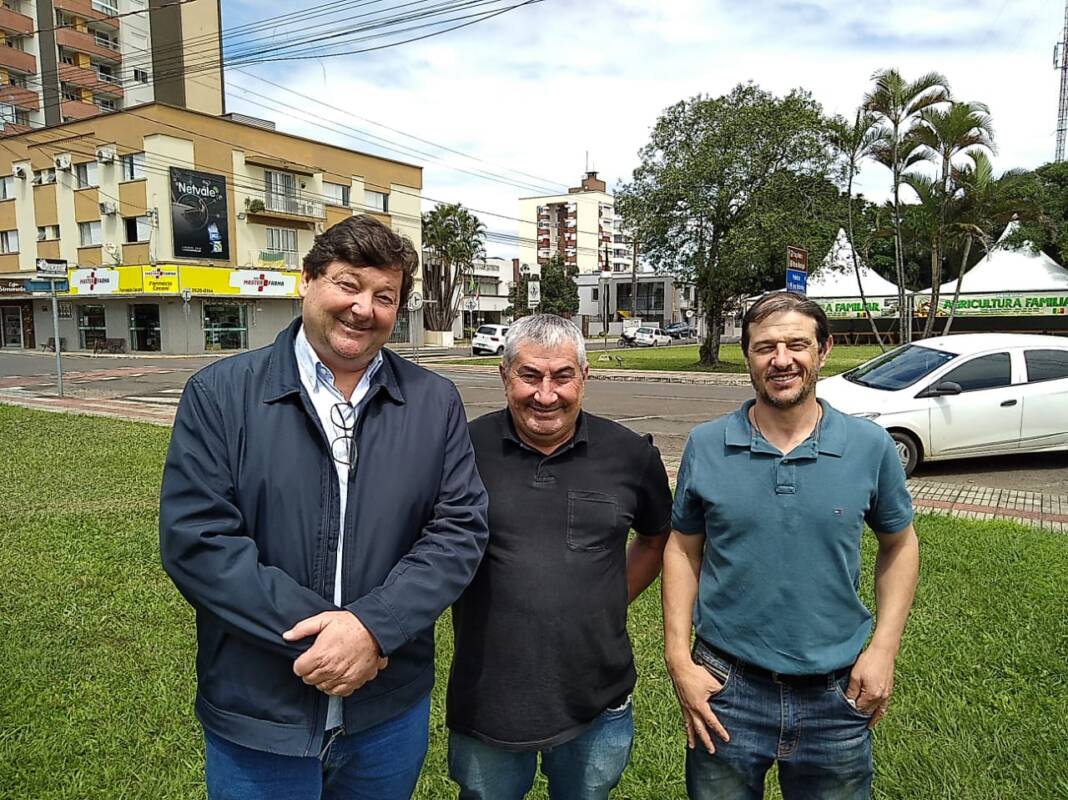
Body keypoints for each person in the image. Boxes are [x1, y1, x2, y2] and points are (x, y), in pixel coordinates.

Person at [160, 215, 489, 800]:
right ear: (308, 280)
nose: (364, 308)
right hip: (261, 714)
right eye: (348, 284)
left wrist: (372, 629)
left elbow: (458, 529)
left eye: (384, 296)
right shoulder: (220, 394)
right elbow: (199, 541)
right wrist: (328, 641)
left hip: (386, 713)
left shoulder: (433, 401)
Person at [663, 291, 920, 800]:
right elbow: (682, 547)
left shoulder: (869, 446)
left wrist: (884, 650)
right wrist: (677, 657)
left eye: (797, 345)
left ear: (823, 351)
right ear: (748, 356)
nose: (782, 360)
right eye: (765, 347)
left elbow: (901, 544)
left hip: (838, 692)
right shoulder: (707, 444)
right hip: (725, 688)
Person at [447, 314, 674, 800]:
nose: (545, 394)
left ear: (584, 377)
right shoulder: (461, 450)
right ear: (504, 375)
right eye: (529, 375)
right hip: (488, 697)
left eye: (562, 376)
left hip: (597, 694)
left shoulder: (632, 456)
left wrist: (607, 599)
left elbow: (656, 539)